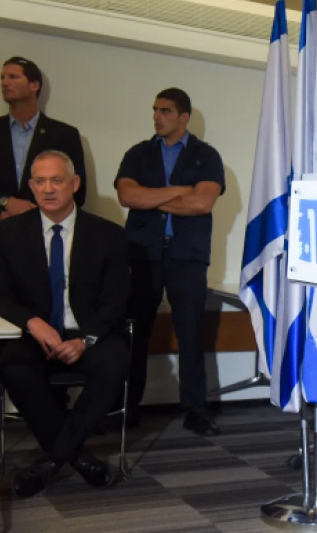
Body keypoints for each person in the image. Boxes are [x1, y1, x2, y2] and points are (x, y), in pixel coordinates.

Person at [0, 150, 128, 498]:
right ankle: (79, 458)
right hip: (35, 333)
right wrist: (32, 322)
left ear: (75, 184)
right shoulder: (9, 233)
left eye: (57, 180)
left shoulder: (107, 234)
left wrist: (86, 340)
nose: (48, 189)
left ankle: (51, 463)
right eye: (40, 181)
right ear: (31, 187)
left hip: (88, 332)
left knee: (115, 363)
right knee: (14, 367)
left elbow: (118, 299)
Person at [0, 56, 86, 421]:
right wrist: (5, 203)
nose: (5, 82)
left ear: (34, 85)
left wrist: (36, 212)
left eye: (13, 76)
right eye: (2, 77)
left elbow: (80, 193)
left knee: (46, 317)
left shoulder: (63, 134)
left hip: (48, 245)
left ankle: (50, 408)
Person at [115, 88, 224, 436]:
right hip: (143, 254)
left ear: (184, 116)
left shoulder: (205, 156)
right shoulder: (138, 153)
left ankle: (195, 411)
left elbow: (202, 204)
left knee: (191, 333)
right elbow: (127, 195)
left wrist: (150, 200)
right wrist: (179, 192)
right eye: (155, 110)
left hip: (186, 256)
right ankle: (127, 407)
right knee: (135, 332)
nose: (157, 116)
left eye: (165, 110)